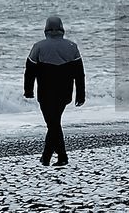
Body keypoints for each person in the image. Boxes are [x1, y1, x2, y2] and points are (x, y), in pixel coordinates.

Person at [23, 15, 85, 166]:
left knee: (52, 124)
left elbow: (29, 71)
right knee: (54, 122)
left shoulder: (38, 47)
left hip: (45, 92)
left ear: (46, 29)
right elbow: (79, 73)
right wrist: (80, 94)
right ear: (62, 28)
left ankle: (61, 156)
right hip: (65, 92)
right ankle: (46, 157)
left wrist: (28, 91)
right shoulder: (72, 47)